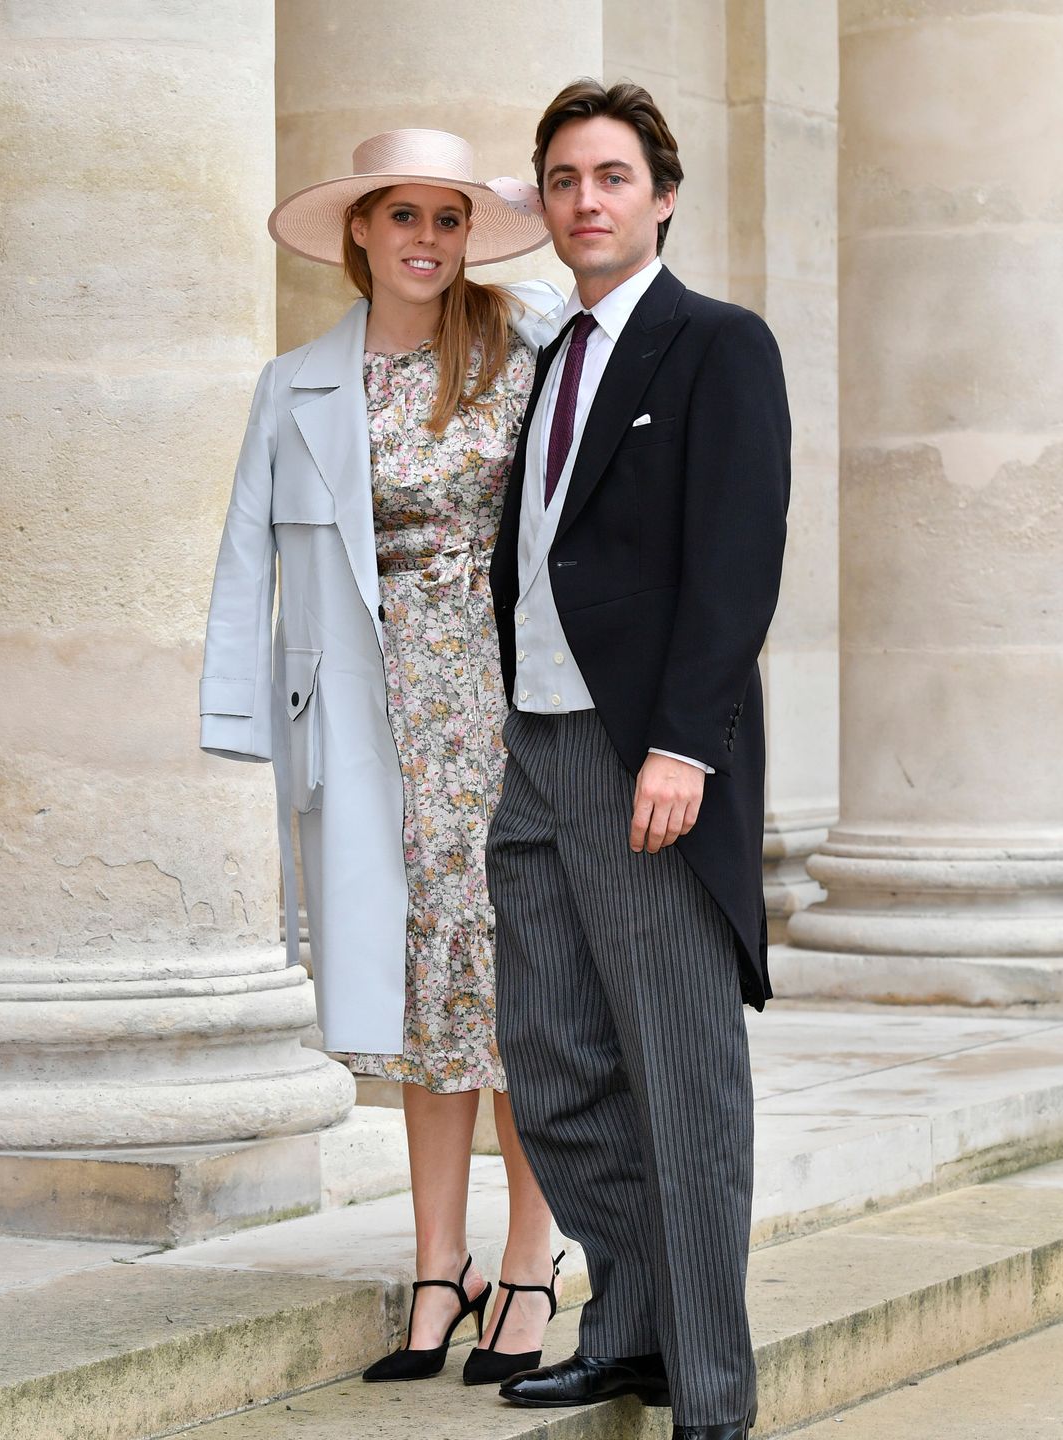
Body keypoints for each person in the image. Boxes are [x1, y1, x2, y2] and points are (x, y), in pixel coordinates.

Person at [199, 128, 566, 1386]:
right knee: (424, 990)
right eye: (400, 214)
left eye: (449, 218)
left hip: (507, 701)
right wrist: (238, 716)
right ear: (358, 230)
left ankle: (530, 1255)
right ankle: (434, 1266)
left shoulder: (523, 352)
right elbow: (248, 552)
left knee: (518, 973)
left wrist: (524, 218)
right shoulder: (297, 380)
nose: (424, 239)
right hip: (367, 706)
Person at [486, 82, 791, 1440]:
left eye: (612, 176)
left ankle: (710, 1392)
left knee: (681, 1077)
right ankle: (629, 1329)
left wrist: (685, 746)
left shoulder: (718, 345)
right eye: (563, 179)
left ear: (662, 195)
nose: (586, 199)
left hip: (642, 761)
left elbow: (735, 566)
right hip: (535, 751)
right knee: (551, 1059)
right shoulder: (549, 352)